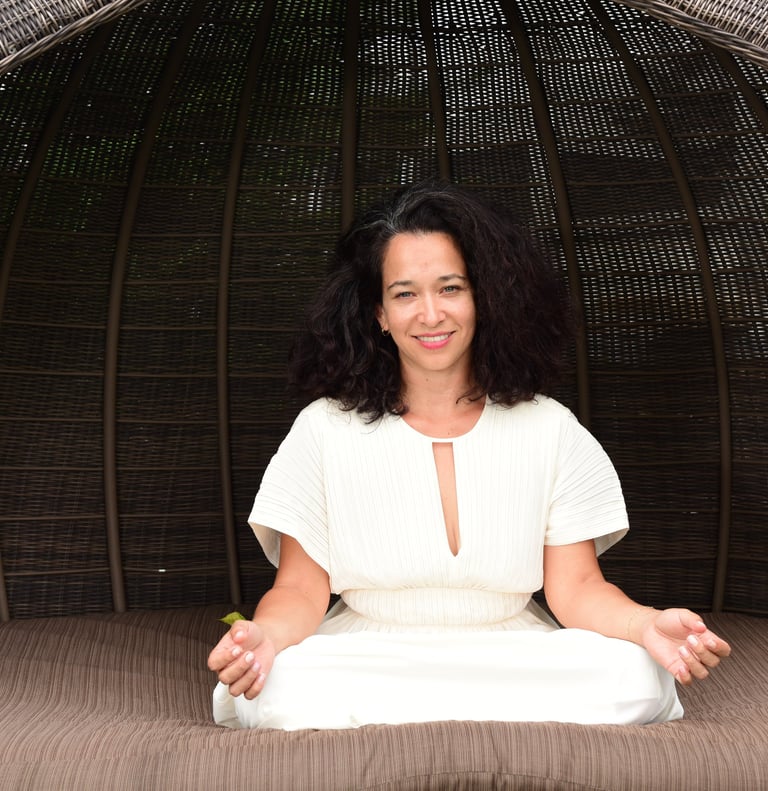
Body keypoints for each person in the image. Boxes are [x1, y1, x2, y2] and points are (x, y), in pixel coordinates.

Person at [208, 180, 731, 730]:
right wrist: (265, 637)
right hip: (368, 657)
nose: (430, 314)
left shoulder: (549, 426)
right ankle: (476, 718)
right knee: (281, 681)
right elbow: (298, 589)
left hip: (512, 657)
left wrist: (645, 625)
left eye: (450, 288)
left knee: (634, 671)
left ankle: (419, 717)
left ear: (484, 298)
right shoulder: (323, 429)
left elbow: (578, 589)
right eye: (405, 294)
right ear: (379, 313)